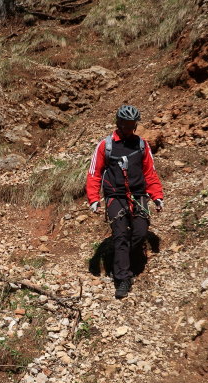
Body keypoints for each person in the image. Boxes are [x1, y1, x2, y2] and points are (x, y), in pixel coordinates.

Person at [86, 105, 164, 299]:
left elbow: (149, 173)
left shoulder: (141, 145)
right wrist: (94, 199)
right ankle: (122, 278)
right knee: (120, 234)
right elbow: (94, 173)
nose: (128, 128)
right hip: (115, 197)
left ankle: (124, 259)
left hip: (138, 195)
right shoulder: (106, 145)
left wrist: (157, 196)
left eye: (132, 125)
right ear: (118, 123)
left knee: (140, 231)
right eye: (125, 124)